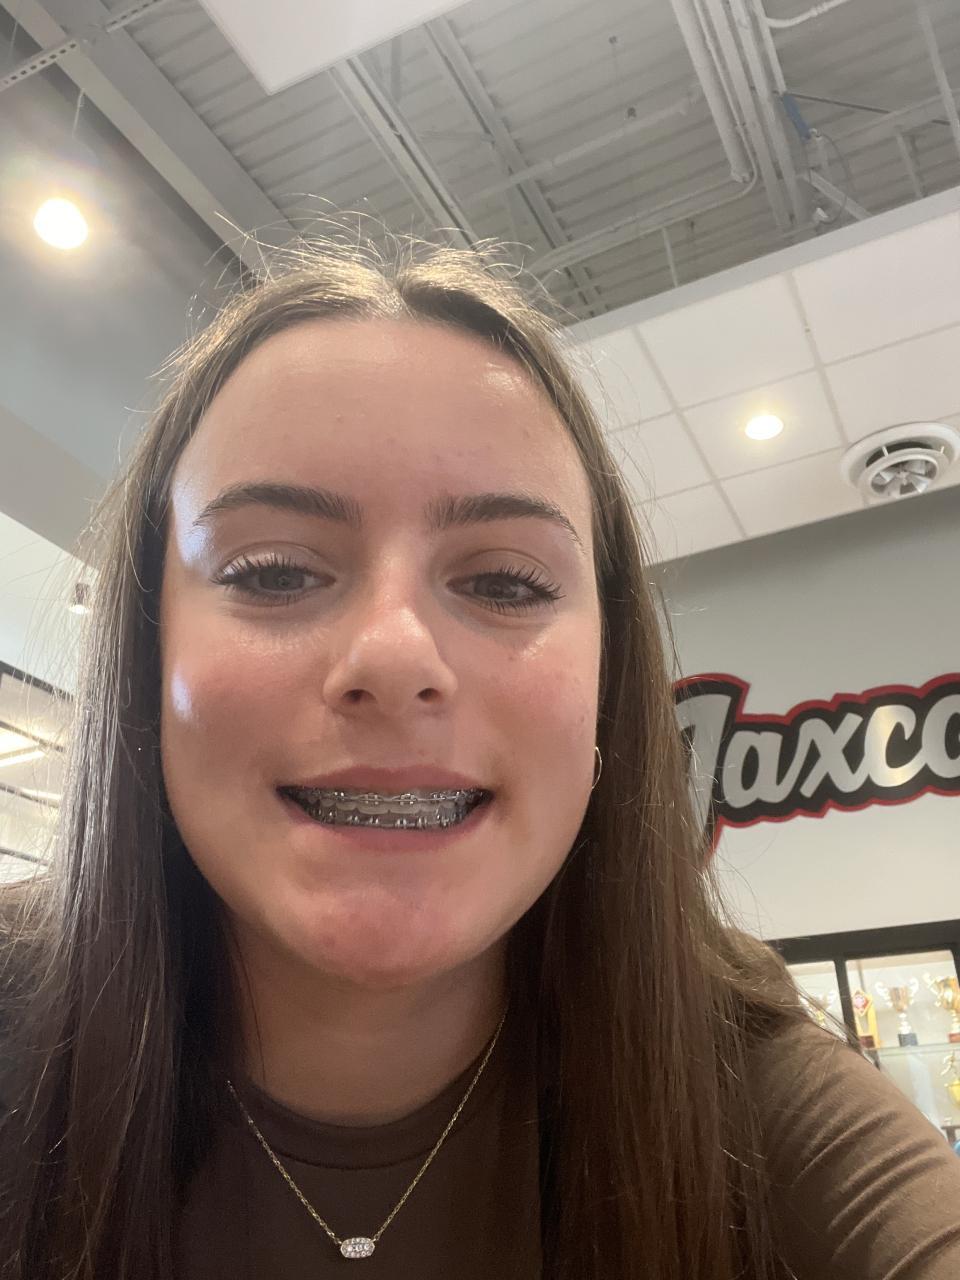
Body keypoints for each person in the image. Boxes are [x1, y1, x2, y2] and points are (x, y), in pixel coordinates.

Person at [1, 237, 958, 1280]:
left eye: (505, 583)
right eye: (273, 571)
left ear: (606, 688)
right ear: (147, 660)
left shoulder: (750, 1088)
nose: (395, 655)